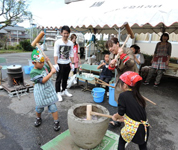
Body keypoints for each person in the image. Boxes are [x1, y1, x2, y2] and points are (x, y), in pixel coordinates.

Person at [112, 71, 150, 150]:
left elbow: (120, 113)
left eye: (120, 83)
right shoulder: (138, 95)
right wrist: (124, 119)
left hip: (133, 128)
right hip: (144, 127)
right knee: (142, 146)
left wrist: (115, 117)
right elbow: (134, 113)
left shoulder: (123, 95)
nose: (119, 85)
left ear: (125, 85)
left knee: (122, 142)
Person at [30, 49, 60, 131]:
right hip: (40, 93)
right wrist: (51, 73)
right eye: (40, 63)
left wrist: (48, 63)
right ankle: (38, 118)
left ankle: (56, 121)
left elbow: (51, 69)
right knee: (39, 108)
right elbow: (42, 80)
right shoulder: (33, 72)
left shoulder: (44, 66)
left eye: (43, 62)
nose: (42, 64)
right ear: (34, 63)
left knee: (53, 107)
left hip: (48, 90)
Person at [106, 37, 138, 103]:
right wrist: (111, 65)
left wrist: (122, 55)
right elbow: (111, 70)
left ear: (117, 44)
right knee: (119, 95)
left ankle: (130, 111)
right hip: (121, 77)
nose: (110, 49)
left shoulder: (127, 50)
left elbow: (131, 64)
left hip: (131, 76)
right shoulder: (111, 55)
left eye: (111, 46)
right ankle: (121, 111)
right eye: (108, 48)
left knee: (130, 96)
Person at [54, 25, 74, 101]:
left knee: (65, 78)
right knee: (58, 79)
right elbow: (55, 54)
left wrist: (72, 63)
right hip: (59, 63)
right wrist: (56, 64)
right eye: (64, 33)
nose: (66, 35)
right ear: (61, 33)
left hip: (67, 63)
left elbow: (71, 53)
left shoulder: (70, 43)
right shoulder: (58, 42)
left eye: (67, 33)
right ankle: (58, 92)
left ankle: (64, 90)